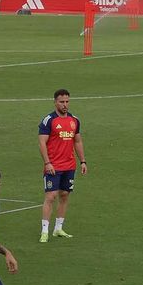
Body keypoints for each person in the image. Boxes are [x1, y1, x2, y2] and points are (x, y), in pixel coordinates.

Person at [37, 88, 87, 243]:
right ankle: (44, 231)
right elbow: (42, 143)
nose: (65, 105)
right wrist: (47, 163)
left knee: (64, 195)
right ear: (55, 102)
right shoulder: (49, 120)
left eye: (67, 101)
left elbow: (77, 141)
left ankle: (58, 228)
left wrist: (83, 161)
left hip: (69, 165)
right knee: (50, 196)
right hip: (53, 166)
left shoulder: (74, 120)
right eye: (62, 102)